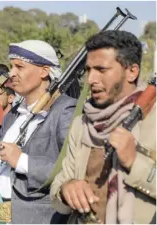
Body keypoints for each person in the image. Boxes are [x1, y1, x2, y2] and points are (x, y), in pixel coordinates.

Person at [50, 30, 156, 224]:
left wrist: (134, 162)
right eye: (89, 70)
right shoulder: (81, 124)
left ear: (132, 72)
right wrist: (67, 189)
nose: (91, 80)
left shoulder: (153, 120)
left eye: (102, 70)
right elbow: (59, 184)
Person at [0, 40, 77, 224]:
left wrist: (22, 161)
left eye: (19, 67)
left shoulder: (65, 111)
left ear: (44, 71)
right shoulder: (13, 115)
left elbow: (72, 170)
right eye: (11, 66)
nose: (12, 73)